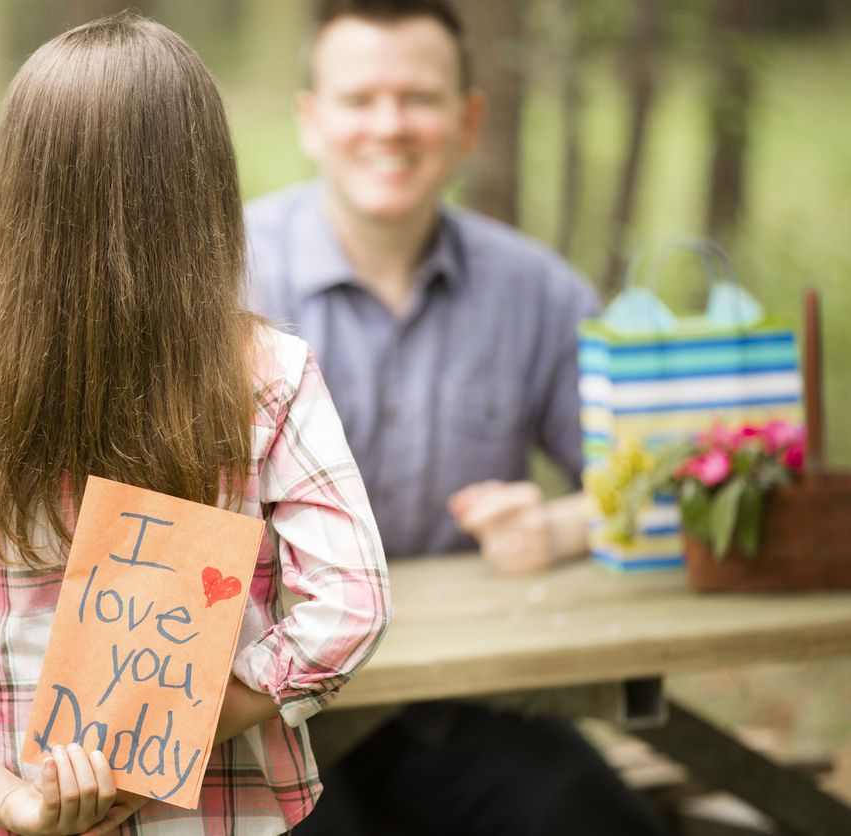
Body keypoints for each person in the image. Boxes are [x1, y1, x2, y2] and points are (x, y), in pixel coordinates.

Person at [0, 15, 391, 836]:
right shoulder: (269, 376)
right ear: (203, 190)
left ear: (15, 194)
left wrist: (14, 799)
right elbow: (353, 605)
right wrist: (178, 734)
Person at [246, 1, 667, 834]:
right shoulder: (223, 284)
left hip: (472, 706)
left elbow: (651, 476)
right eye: (360, 99)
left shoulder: (536, 292)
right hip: (272, 719)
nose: (390, 126)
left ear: (470, 120)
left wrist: (560, 524)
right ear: (311, 120)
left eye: (421, 98)